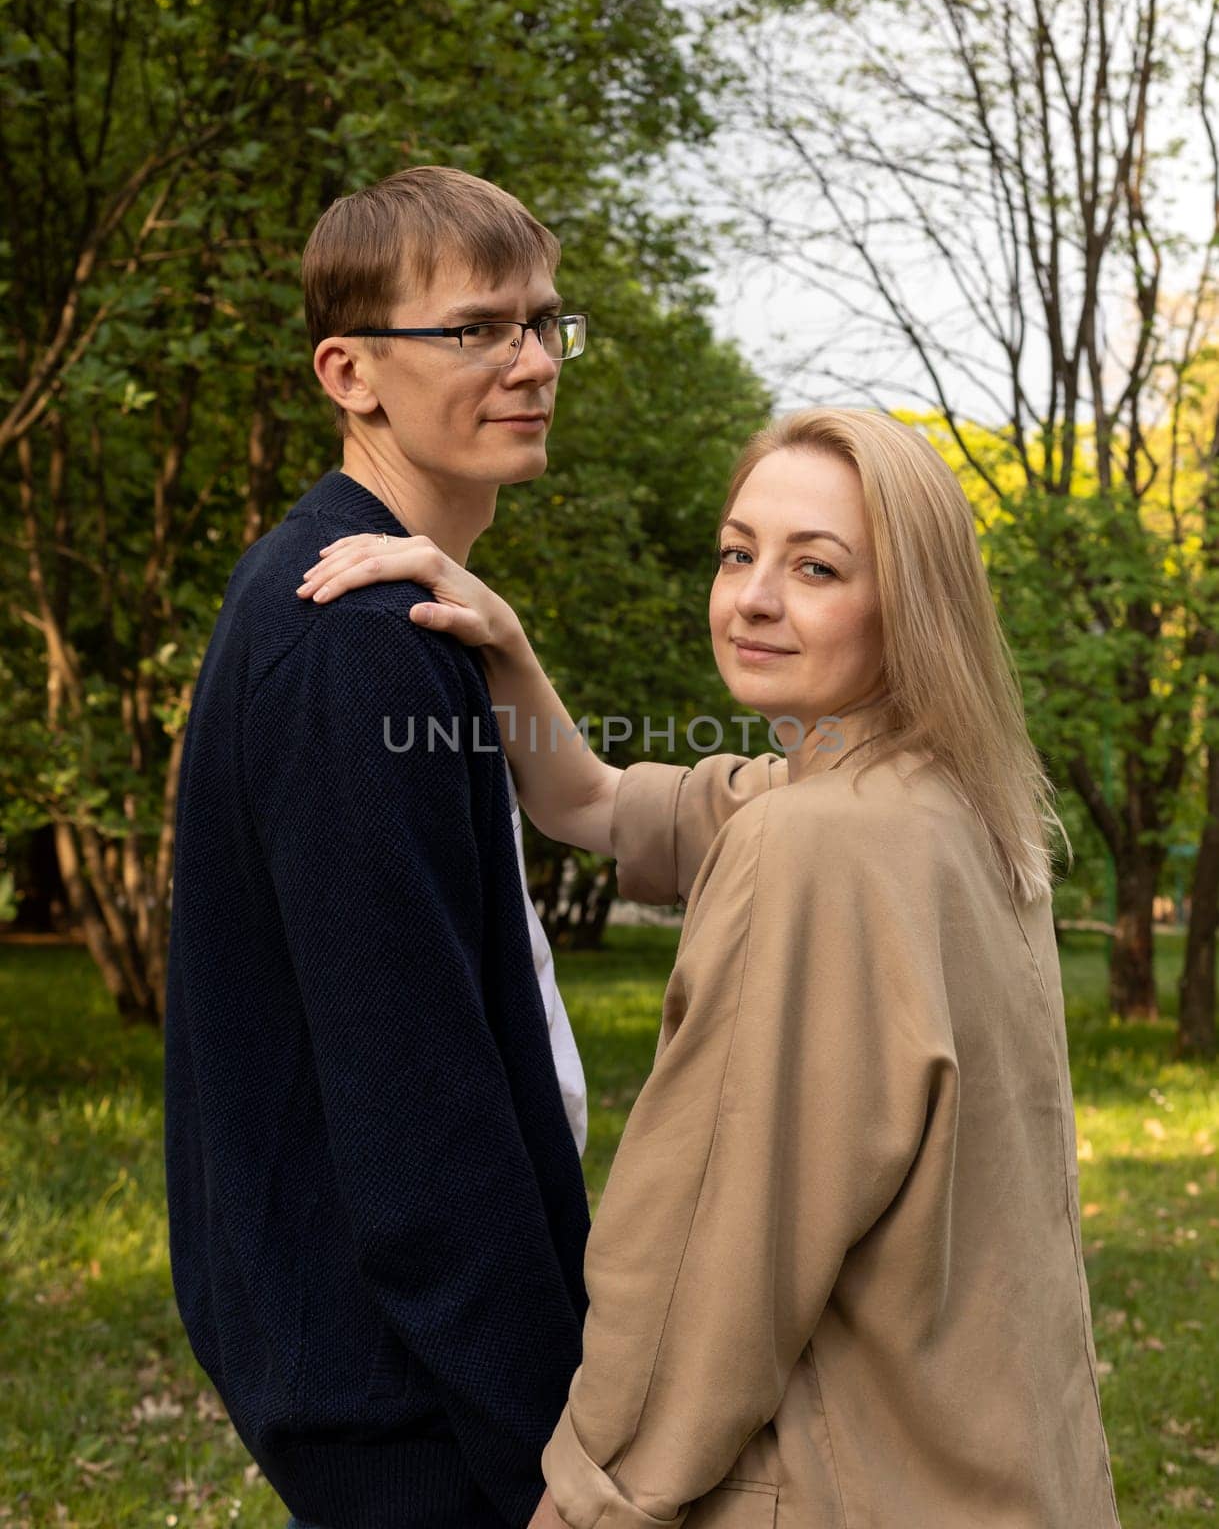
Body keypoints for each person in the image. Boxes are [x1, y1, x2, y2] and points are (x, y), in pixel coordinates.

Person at [298, 405, 1123, 1528]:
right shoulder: (948, 803)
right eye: (738, 552)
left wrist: (587, 1495)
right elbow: (591, 799)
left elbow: (703, 1267)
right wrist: (507, 646)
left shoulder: (812, 848)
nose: (753, 598)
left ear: (911, 602)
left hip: (855, 1489)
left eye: (816, 567)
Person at [163, 166, 593, 1529]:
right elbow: (413, 1100)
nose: (528, 361)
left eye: (540, 323)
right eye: (475, 329)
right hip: (415, 1420)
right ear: (348, 372)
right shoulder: (351, 636)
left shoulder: (401, 599)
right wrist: (547, 1454)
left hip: (400, 1392)